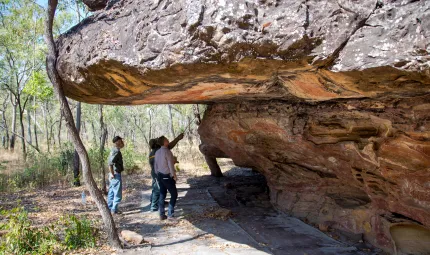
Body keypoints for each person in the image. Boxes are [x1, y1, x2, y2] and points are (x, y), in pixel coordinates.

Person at [148, 133, 184, 212]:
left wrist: (177, 138)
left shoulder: (155, 152)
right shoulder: (156, 152)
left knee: (158, 188)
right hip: (158, 174)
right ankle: (154, 207)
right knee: (157, 189)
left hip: (156, 173)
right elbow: (168, 148)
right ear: (156, 144)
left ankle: (156, 202)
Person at [154, 136, 179, 220]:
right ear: (164, 142)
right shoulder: (167, 152)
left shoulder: (157, 152)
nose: (168, 140)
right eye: (166, 139)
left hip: (160, 175)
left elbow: (155, 165)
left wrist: (157, 173)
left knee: (162, 194)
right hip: (167, 175)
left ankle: (161, 214)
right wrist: (174, 175)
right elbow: (170, 165)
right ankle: (170, 214)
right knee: (174, 194)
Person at [107, 136, 125, 214]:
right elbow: (110, 163)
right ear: (117, 141)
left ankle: (110, 208)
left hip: (113, 174)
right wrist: (112, 174)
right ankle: (114, 209)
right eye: (121, 141)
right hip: (115, 174)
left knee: (111, 192)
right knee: (117, 193)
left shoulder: (113, 150)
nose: (122, 142)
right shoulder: (116, 151)